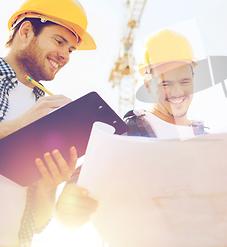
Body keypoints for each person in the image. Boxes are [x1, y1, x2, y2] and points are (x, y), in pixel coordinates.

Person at [55, 29, 206, 230]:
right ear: (148, 86)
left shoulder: (204, 138)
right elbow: (71, 208)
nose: (177, 91)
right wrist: (69, 203)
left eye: (184, 81)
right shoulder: (125, 134)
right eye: (165, 83)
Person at [0, 0, 96, 247]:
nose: (65, 55)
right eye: (59, 41)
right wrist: (18, 125)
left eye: (71, 49)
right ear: (26, 32)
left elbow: (37, 223)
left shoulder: (47, 109)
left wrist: (50, 185)